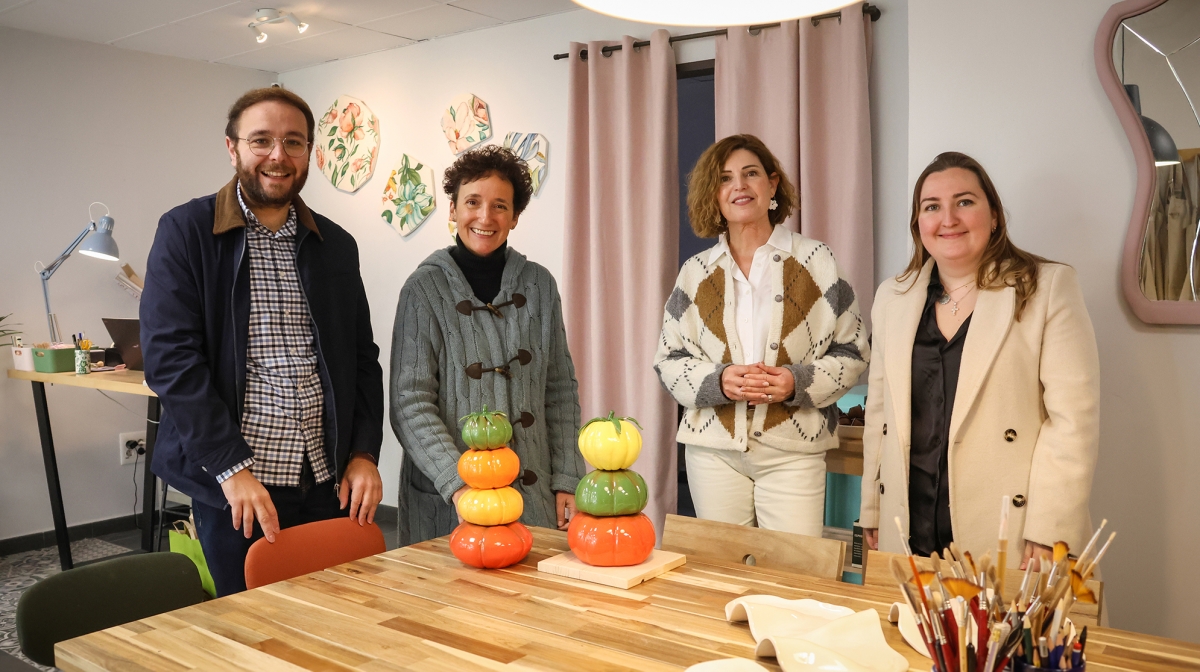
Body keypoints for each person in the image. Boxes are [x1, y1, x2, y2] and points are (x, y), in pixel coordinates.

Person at [142, 87, 384, 596]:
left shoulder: (336, 245)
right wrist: (230, 468)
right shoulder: (187, 232)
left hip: (327, 480)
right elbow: (171, 362)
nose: (278, 155)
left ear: (309, 152)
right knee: (251, 625)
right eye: (261, 140)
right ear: (232, 148)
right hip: (240, 486)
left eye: (293, 142)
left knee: (335, 616)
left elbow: (362, 359)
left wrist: (364, 452)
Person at [859, 152, 1100, 569]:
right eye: (932, 207)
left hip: (1013, 530)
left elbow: (1073, 422)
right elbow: (879, 415)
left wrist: (1050, 530)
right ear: (918, 223)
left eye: (965, 202)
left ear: (994, 217)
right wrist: (872, 509)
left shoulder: (1046, 288)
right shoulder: (892, 297)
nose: (948, 218)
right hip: (910, 524)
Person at [653, 134, 870, 537]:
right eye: (725, 178)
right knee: (723, 567)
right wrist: (718, 381)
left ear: (772, 184)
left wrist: (796, 382)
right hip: (713, 451)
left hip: (794, 449)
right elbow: (668, 360)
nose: (739, 185)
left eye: (750, 173)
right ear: (714, 194)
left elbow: (853, 351)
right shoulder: (695, 272)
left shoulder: (817, 261)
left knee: (793, 567)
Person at [391, 145, 586, 545]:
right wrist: (460, 484)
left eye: (500, 206)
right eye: (473, 202)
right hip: (450, 498)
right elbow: (410, 402)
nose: (485, 217)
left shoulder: (539, 285)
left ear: (515, 217)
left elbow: (559, 390)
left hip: (532, 492)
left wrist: (568, 476)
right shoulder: (423, 289)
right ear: (452, 209)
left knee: (533, 583)